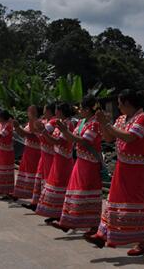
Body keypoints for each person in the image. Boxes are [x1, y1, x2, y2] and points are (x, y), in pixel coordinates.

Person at [88, 89, 144, 256]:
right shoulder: (122, 118)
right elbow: (109, 138)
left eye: (119, 103)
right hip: (123, 166)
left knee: (137, 204)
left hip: (138, 169)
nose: (118, 106)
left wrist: (107, 124)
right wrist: (103, 123)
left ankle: (142, 242)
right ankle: (103, 234)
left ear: (127, 104)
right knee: (114, 200)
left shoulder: (143, 118)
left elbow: (130, 137)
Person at [51, 96, 103, 235]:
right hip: (80, 160)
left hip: (90, 162)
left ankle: (92, 225)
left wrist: (65, 131)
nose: (79, 111)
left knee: (86, 192)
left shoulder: (95, 124)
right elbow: (72, 139)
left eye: (81, 108)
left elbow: (84, 141)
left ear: (87, 109)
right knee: (75, 191)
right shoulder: (82, 122)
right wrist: (65, 132)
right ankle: (69, 221)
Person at [35, 102, 75, 224]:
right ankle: (56, 212)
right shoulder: (60, 124)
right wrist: (43, 132)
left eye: (57, 111)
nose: (55, 113)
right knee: (55, 184)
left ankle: (61, 213)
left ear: (61, 112)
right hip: (58, 157)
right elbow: (53, 141)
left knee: (60, 184)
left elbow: (58, 142)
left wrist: (44, 132)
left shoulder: (68, 124)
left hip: (64, 159)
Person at [29, 103, 56, 210]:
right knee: (41, 178)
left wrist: (33, 117)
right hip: (44, 153)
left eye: (45, 110)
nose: (44, 113)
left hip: (50, 154)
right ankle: (38, 202)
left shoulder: (53, 121)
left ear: (50, 111)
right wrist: (32, 119)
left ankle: (46, 204)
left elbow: (40, 129)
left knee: (47, 178)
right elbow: (33, 129)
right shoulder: (46, 121)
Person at [13, 105, 41, 199]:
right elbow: (23, 134)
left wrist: (18, 127)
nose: (29, 113)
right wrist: (17, 128)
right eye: (29, 111)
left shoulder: (39, 122)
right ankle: (24, 193)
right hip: (28, 150)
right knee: (25, 172)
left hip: (36, 151)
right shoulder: (30, 123)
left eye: (32, 111)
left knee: (32, 172)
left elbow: (31, 134)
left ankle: (33, 195)